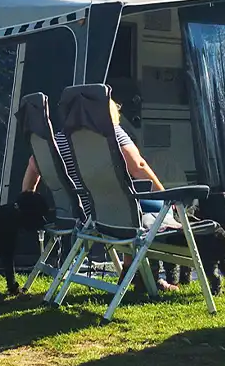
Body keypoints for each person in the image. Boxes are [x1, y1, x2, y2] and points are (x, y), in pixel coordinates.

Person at [21, 97, 181, 291]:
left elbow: (32, 164)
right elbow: (138, 166)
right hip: (113, 216)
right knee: (158, 209)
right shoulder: (111, 133)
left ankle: (133, 271)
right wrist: (165, 196)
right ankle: (141, 274)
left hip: (80, 215)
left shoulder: (58, 140)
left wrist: (27, 199)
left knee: (135, 209)